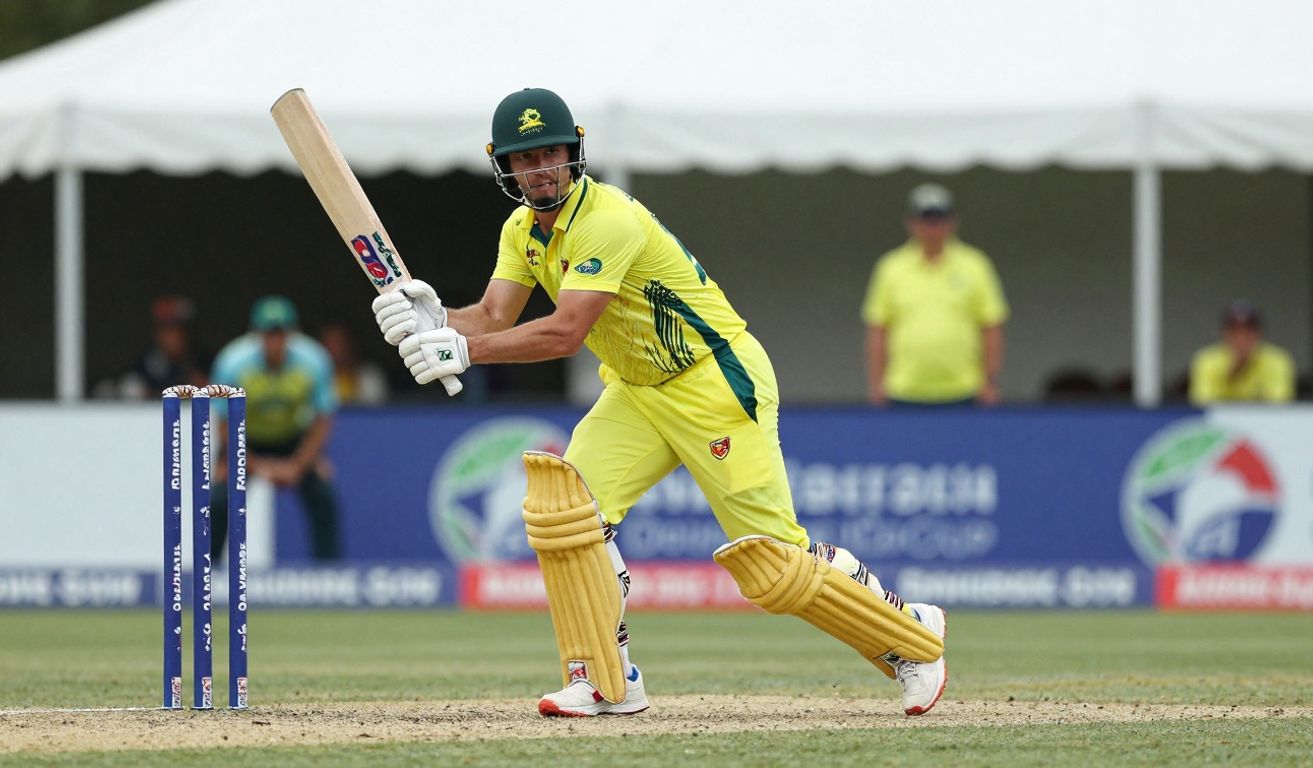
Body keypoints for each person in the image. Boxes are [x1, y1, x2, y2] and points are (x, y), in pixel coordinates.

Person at [369, 88, 947, 719]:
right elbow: (489, 316)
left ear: (573, 153)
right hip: (638, 390)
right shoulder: (522, 231)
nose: (538, 169)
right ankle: (606, 681)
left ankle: (911, 637)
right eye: (523, 159)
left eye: (550, 154)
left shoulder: (606, 219)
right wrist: (437, 320)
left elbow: (564, 332)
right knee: (564, 513)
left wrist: (464, 353)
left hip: (713, 381)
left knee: (774, 566)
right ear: (503, 167)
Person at [209, 295, 343, 561]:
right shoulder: (233, 363)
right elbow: (224, 423)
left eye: (280, 333)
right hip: (245, 439)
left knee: (323, 495)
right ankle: (210, 572)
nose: (274, 341)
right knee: (220, 499)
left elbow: (323, 418)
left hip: (293, 437)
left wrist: (300, 464)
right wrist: (252, 463)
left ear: (292, 334)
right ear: (256, 334)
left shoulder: (314, 361)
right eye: (268, 334)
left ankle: (330, 573)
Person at [861, 183, 1009, 407]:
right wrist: (876, 385)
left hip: (964, 389)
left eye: (939, 219)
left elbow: (991, 326)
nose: (932, 228)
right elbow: (878, 329)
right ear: (911, 224)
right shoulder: (891, 268)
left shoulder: (975, 265)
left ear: (952, 223)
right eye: (926, 220)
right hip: (903, 390)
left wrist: (989, 381)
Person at [1188, 300, 1295, 404]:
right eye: (1234, 332)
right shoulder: (1206, 361)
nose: (1241, 338)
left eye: (1248, 332)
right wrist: (1230, 375)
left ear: (1259, 333)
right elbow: (1202, 403)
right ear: (1224, 333)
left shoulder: (1277, 360)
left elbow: (1279, 404)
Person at [113, 295, 211, 398]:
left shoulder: (205, 360)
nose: (174, 336)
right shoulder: (145, 364)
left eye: (179, 329)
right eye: (167, 329)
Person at [318, 322, 390, 405]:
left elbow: (379, 410)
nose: (336, 349)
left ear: (350, 344)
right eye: (330, 343)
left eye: (340, 343)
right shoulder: (316, 377)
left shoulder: (370, 375)